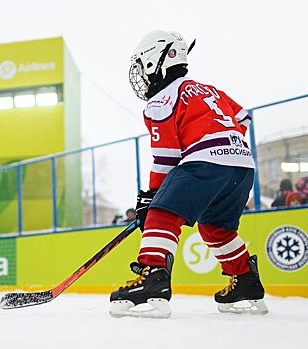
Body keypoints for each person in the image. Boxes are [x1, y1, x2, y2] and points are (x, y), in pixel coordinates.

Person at [109, 30, 268, 318]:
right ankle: (245, 280)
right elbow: (243, 116)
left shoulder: (160, 100)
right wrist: (224, 142)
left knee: (161, 213)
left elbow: (166, 157)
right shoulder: (210, 89)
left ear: (153, 62)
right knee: (216, 227)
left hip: (206, 162)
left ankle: (153, 278)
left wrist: (151, 198)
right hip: (242, 165)